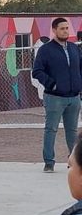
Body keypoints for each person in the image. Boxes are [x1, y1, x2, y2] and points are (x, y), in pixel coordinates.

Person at [32, 17, 82, 173]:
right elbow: (37, 71)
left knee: (72, 131)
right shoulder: (45, 50)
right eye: (62, 28)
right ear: (54, 30)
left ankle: (74, 161)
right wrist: (52, 84)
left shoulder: (74, 48)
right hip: (54, 98)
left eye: (67, 28)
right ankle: (49, 162)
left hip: (74, 97)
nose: (65, 31)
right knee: (51, 129)